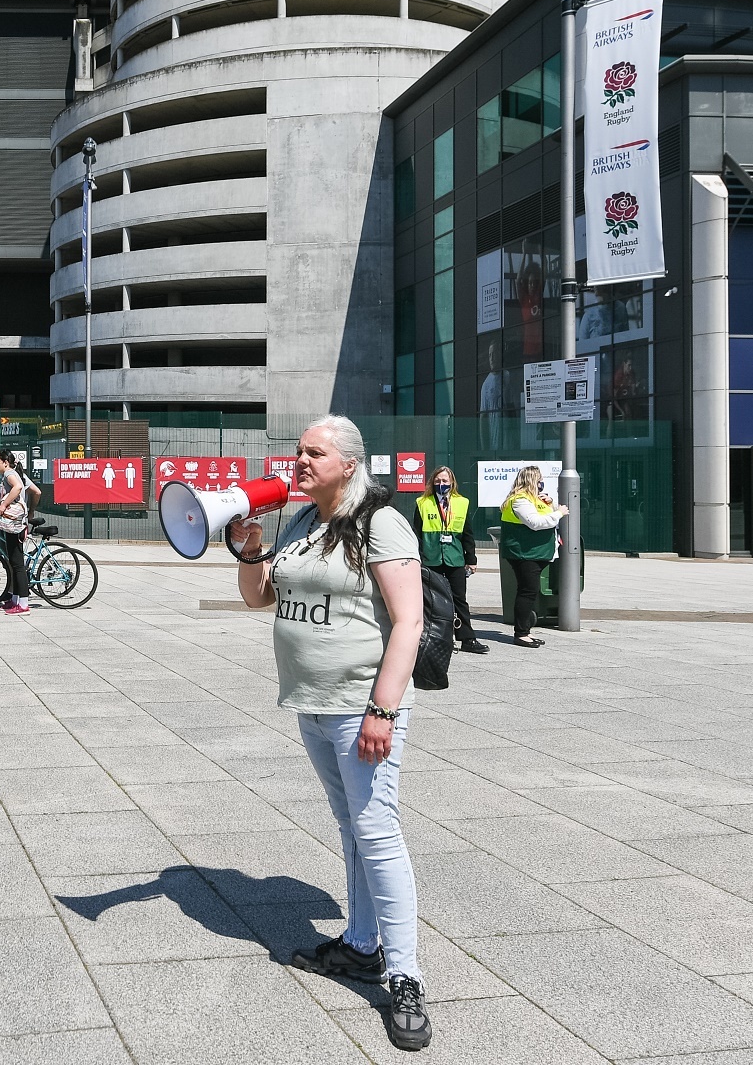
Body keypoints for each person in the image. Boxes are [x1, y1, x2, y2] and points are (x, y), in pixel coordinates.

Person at [234, 414, 432, 1052]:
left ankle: (403, 975)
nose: (299, 462)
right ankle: (360, 944)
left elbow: (408, 621)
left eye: (313, 454)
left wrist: (384, 708)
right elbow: (259, 599)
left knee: (377, 831)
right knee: (350, 827)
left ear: (348, 463)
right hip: (313, 701)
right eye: (298, 452)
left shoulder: (380, 521)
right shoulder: (301, 521)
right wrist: (249, 549)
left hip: (360, 705)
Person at [416, 467, 487, 655]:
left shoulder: (462, 503)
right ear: (432, 482)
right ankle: (434, 637)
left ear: (452, 483)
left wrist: (471, 559)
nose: (442, 485)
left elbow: (468, 534)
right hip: (431, 559)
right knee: (432, 600)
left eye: (445, 481)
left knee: (459, 599)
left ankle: (467, 638)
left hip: (455, 558)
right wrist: (418, 558)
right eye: (438, 481)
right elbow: (416, 534)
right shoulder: (423, 502)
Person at [500, 465, 565, 648]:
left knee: (529, 591)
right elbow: (535, 522)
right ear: (531, 480)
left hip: (534, 552)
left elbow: (545, 516)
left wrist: (551, 503)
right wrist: (560, 512)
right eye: (539, 480)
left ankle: (525, 631)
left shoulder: (533, 499)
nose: (541, 483)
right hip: (524, 553)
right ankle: (521, 633)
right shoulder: (519, 500)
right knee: (527, 591)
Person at [0, 451, 32, 614]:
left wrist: (3, 505)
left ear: (5, 462)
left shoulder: (9, 474)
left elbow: (18, 487)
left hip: (15, 524)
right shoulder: (6, 475)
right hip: (11, 524)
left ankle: (23, 604)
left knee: (17, 564)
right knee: (14, 563)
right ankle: (15, 600)